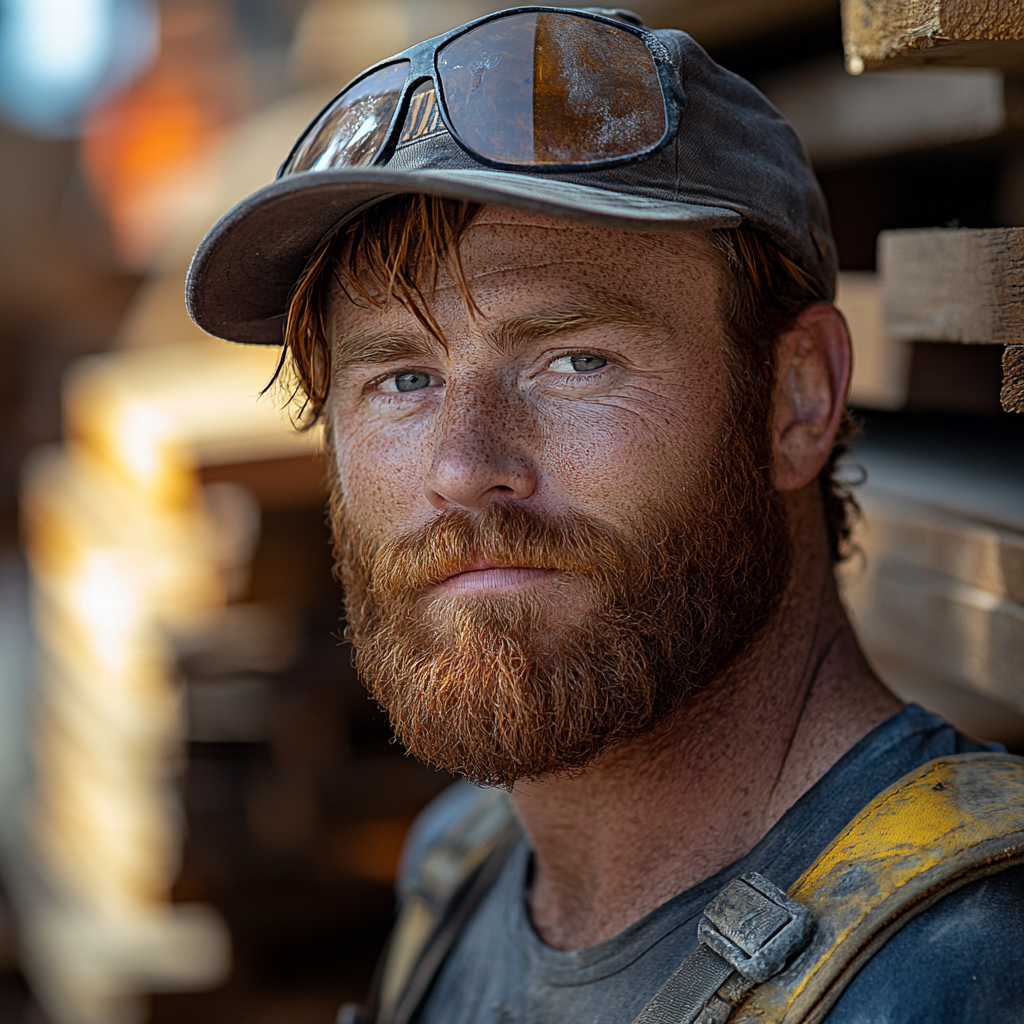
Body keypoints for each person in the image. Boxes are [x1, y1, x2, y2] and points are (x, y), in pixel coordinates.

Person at [186, 8, 1024, 1023]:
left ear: (797, 397)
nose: (461, 466)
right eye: (401, 378)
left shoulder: (962, 970)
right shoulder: (462, 869)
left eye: (575, 360)